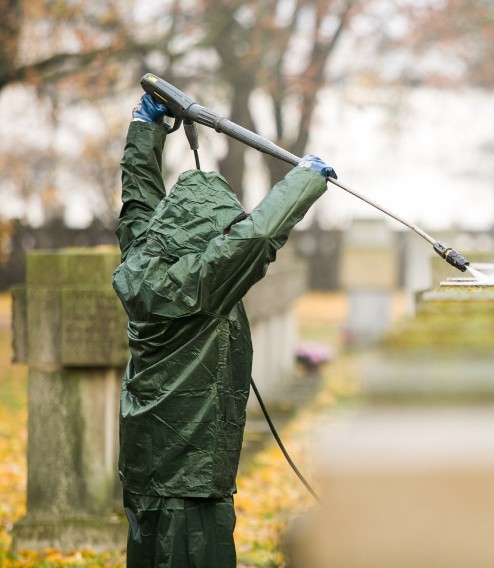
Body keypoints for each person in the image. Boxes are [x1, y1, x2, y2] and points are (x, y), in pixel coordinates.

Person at [112, 92, 335, 567]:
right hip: (190, 471)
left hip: (145, 459)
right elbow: (254, 238)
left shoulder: (141, 256)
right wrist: (304, 181)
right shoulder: (202, 282)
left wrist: (144, 129)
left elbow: (138, 199)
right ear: (211, 233)